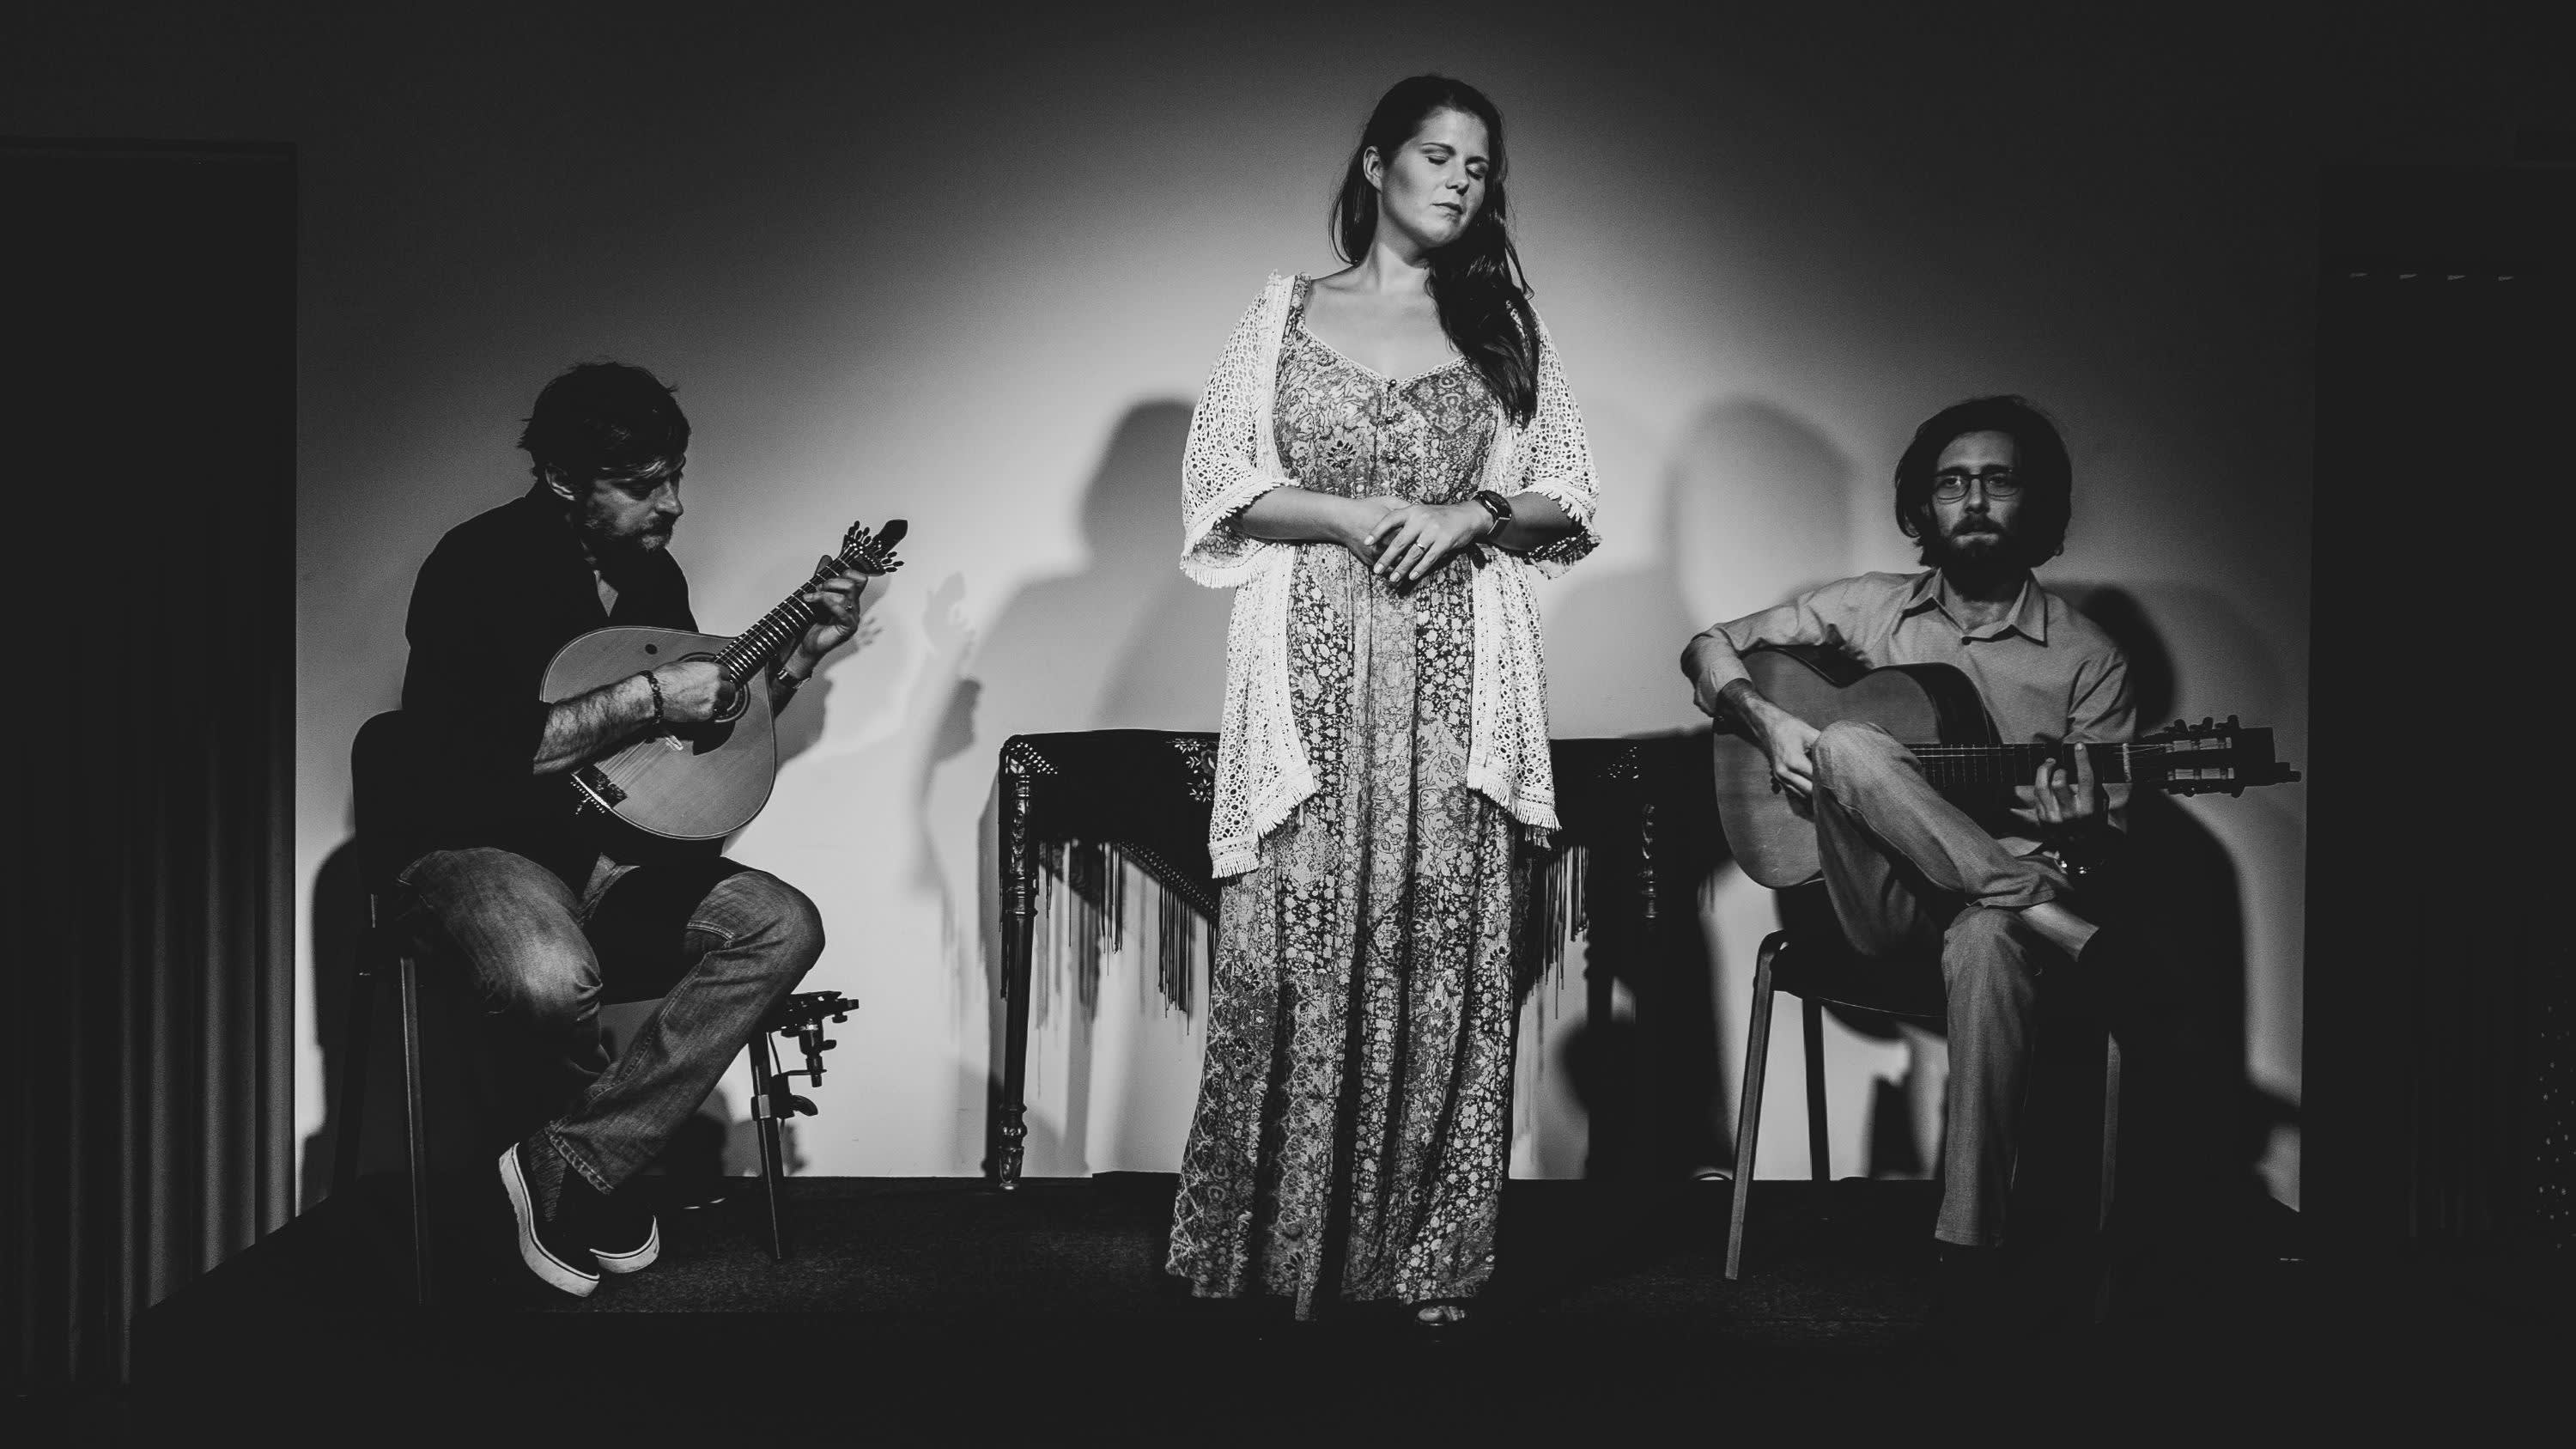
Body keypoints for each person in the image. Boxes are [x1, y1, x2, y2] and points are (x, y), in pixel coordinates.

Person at [1167, 75, 1601, 1327]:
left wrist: (1473, 511)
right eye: (1438, 154)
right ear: (1375, 164)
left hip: (1457, 674)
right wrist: (1348, 514)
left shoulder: (1503, 325)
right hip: (1309, 671)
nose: (1461, 179)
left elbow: (1570, 494)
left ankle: (1428, 1256)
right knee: (1292, 944)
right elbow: (1221, 488)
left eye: (1480, 163)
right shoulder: (1282, 313)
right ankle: (1273, 1245)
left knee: (1440, 943)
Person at [394, 361, 866, 1297]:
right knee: (549, 974)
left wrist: (801, 659)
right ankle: (588, 1170)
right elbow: (467, 757)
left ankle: (573, 1158)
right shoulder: (474, 564)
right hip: (479, 844)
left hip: (614, 854)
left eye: (675, 477)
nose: (673, 504)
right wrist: (648, 693)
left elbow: (689, 746)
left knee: (782, 924)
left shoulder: (655, 576)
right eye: (644, 485)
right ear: (563, 479)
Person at [1679, 394, 2136, 1310]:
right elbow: (1708, 647)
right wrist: (1768, 723)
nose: (1975, 501)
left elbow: (2106, 849)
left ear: (2038, 503)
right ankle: (2035, 905)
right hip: (1880, 901)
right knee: (1849, 744)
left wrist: (2081, 823)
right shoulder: (1866, 609)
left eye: (1999, 481)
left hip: (1996, 923)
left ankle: (1968, 1253)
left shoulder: (2088, 658)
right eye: (1952, 483)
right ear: (1924, 506)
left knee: (1989, 937)